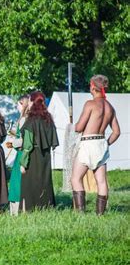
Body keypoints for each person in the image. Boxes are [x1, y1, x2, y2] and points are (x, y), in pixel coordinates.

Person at [71, 75, 120, 215]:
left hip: (87, 143)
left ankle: (81, 214)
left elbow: (79, 127)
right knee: (101, 182)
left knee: (76, 178)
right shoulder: (110, 107)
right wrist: (105, 144)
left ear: (93, 87)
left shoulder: (90, 104)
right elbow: (116, 132)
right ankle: (100, 215)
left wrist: (72, 127)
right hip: (101, 143)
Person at [20, 91, 59, 211]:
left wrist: (23, 163)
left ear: (32, 102)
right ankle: (46, 208)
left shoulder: (31, 121)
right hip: (45, 156)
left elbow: (27, 144)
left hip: (33, 156)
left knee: (30, 184)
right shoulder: (48, 119)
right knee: (44, 181)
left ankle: (31, 209)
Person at [7, 95, 30, 215]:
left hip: (22, 153)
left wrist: (13, 142)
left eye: (18, 104)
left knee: (17, 183)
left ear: (23, 104)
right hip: (21, 153)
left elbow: (24, 140)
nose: (16, 106)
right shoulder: (24, 118)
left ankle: (18, 210)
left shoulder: (24, 119)